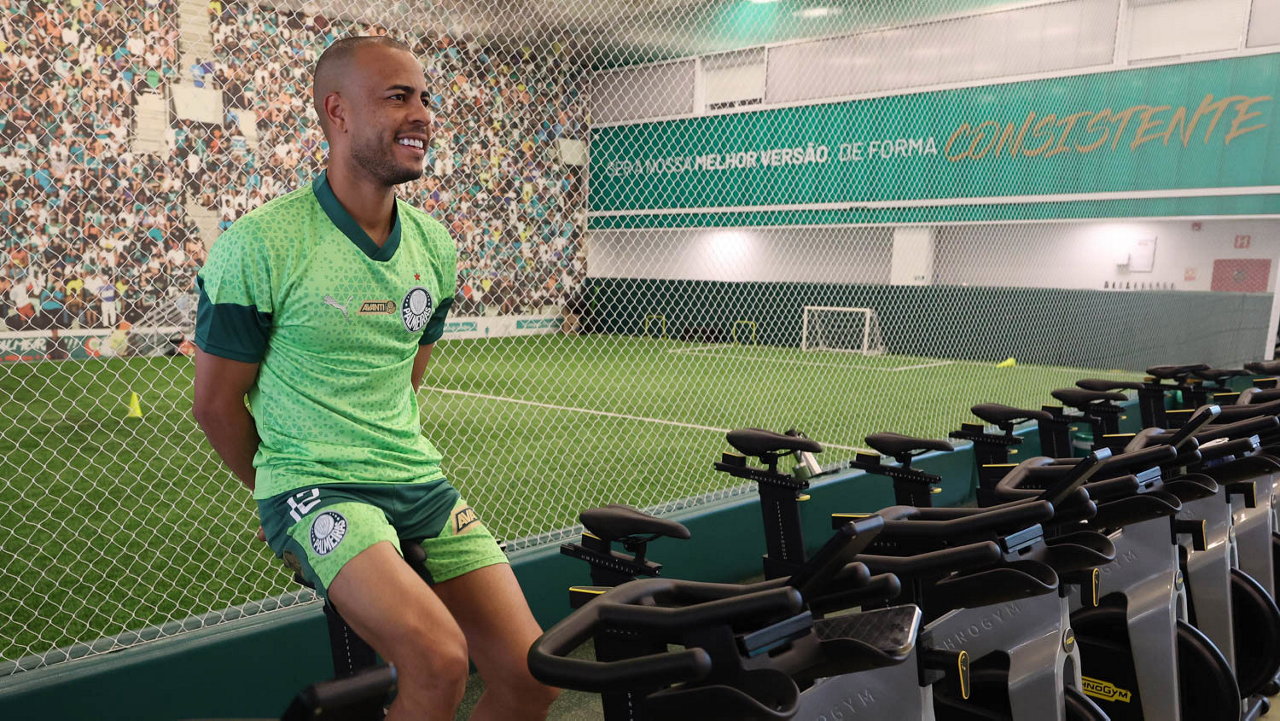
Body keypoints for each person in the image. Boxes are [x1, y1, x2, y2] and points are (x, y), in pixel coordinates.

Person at [190, 36, 558, 721]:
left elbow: (405, 379)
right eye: (397, 97)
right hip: (316, 485)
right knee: (438, 662)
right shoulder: (261, 243)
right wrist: (281, 493)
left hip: (418, 481)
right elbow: (215, 405)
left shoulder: (435, 245)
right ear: (338, 112)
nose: (422, 113)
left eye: (424, 98)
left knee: (532, 677)